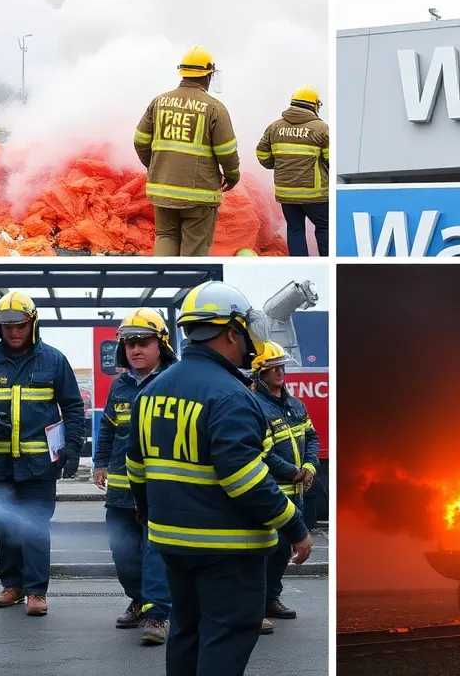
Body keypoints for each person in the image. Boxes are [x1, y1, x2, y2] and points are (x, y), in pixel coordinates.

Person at [127, 281, 314, 676]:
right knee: (227, 635)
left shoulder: (150, 391)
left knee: (187, 631)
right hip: (228, 547)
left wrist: (148, 515)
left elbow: (136, 467)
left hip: (171, 542)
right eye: (246, 331)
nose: (250, 342)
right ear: (232, 331)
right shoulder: (232, 395)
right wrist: (295, 526)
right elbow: (243, 476)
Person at [0, 291, 84, 617]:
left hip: (39, 466)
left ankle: (36, 591)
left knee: (34, 527)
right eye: (7, 327)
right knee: (6, 528)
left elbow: (73, 407)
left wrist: (72, 449)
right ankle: (11, 587)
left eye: (20, 326)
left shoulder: (54, 360)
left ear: (33, 324)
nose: (14, 332)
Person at [91, 308, 175, 644]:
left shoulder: (175, 380)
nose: (135, 349)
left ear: (161, 345)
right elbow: (108, 430)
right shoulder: (120, 386)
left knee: (155, 551)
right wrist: (99, 463)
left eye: (143, 342)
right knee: (123, 554)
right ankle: (139, 600)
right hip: (123, 491)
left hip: (160, 491)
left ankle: (157, 614)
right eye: (129, 344)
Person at [134, 45, 240, 257]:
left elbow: (140, 141)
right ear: (208, 75)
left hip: (163, 188)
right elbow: (226, 151)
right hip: (199, 194)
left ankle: (164, 286)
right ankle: (189, 289)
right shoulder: (214, 108)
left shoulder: (159, 102)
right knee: (194, 249)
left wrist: (157, 167)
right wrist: (232, 175)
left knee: (165, 236)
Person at [250, 342, 319, 626]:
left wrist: (310, 466)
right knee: (266, 550)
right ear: (259, 374)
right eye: (272, 368)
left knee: (281, 553)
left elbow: (311, 437)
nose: (280, 372)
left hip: (296, 495)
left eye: (281, 366)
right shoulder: (255, 405)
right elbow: (261, 452)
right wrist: (293, 472)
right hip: (272, 492)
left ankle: (270, 599)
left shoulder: (295, 405)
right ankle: (257, 604)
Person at [255, 86, 330, 257]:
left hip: (286, 192)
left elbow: (261, 153)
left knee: (295, 229)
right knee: (325, 228)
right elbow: (330, 159)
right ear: (314, 106)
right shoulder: (321, 129)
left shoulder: (274, 127)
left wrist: (277, 165)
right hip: (315, 194)